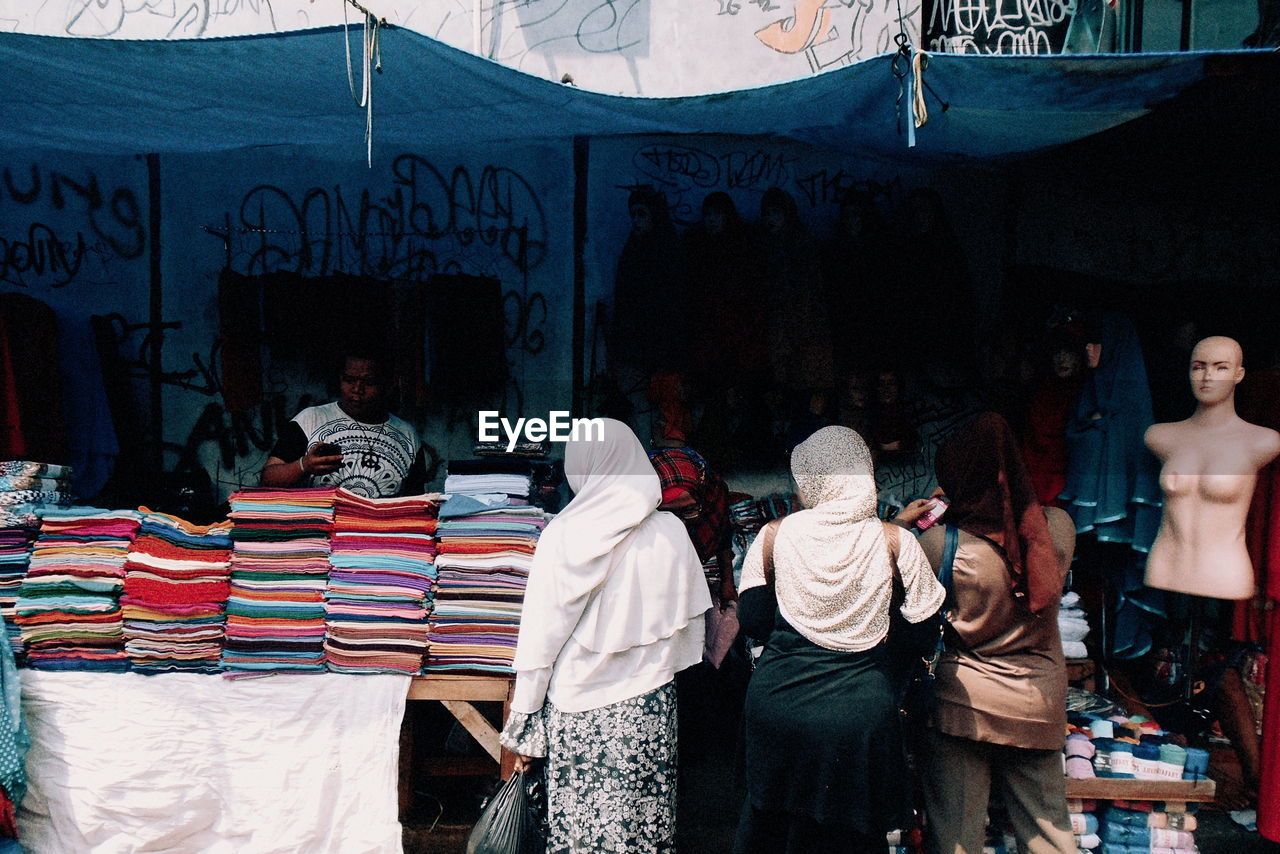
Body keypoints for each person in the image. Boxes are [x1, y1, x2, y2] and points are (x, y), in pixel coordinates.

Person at [499, 418, 711, 854]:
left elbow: (540, 641)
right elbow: (690, 631)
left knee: (581, 830)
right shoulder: (671, 531)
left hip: (578, 710)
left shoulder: (564, 534)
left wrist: (523, 724)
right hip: (649, 710)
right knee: (643, 827)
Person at [734, 425, 944, 854]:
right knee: (850, 837)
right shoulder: (896, 541)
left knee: (772, 830)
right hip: (859, 716)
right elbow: (923, 631)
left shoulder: (775, 535)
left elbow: (753, 620)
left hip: (778, 708)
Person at [894, 412, 1076, 854]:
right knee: (1048, 831)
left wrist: (904, 525)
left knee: (957, 832)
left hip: (963, 708)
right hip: (1038, 701)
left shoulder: (938, 544)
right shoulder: (1058, 529)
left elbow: (894, 578)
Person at [1144, 336, 1280, 600]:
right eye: (1199, 367)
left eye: (1221, 367)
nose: (1208, 376)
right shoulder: (1160, 436)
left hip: (1225, 572)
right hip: (1165, 565)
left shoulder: (1263, 442)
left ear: (1239, 374)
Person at [259, 349, 425, 498]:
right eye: (349, 380)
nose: (357, 390)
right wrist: (304, 465)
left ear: (387, 385)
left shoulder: (407, 435)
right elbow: (267, 479)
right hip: (319, 530)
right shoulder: (309, 420)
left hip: (380, 530)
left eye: (368, 382)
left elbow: (416, 502)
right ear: (340, 378)